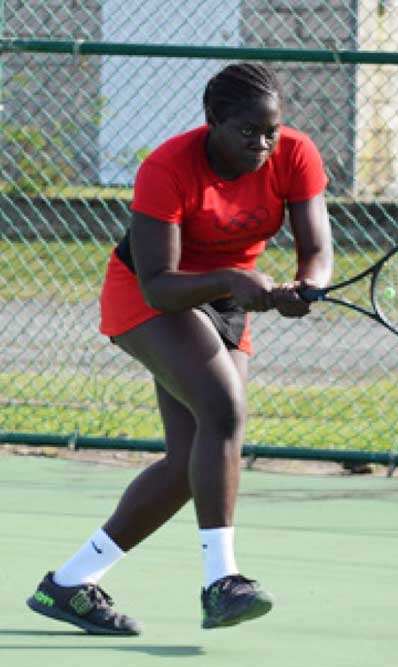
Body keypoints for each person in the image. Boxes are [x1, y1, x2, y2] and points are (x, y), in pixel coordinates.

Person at [26, 63, 334, 635]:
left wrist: (305, 285)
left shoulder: (295, 154)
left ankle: (68, 585)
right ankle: (223, 582)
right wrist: (231, 279)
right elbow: (159, 283)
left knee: (189, 463)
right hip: (150, 297)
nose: (264, 144)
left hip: (228, 299)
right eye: (248, 132)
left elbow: (317, 248)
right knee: (224, 408)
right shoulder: (167, 167)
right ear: (213, 121)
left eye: (272, 131)